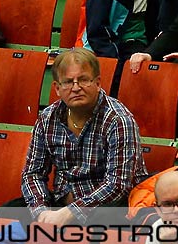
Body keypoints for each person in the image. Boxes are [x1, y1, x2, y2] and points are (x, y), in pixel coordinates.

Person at [17, 48, 149, 225]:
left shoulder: (118, 120)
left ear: (98, 83)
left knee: (104, 219)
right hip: (61, 203)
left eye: (84, 80)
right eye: (68, 82)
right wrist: (42, 212)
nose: (76, 88)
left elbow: (118, 185)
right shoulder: (48, 118)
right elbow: (32, 173)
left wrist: (71, 212)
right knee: (11, 211)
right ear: (57, 88)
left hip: (108, 206)